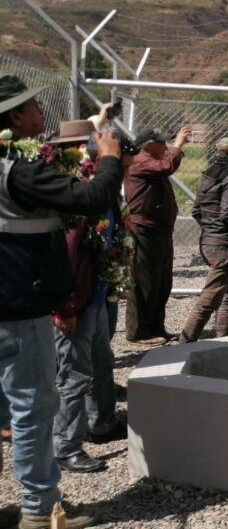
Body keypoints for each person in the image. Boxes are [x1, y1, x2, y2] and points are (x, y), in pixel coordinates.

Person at [0, 73, 124, 529]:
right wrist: (109, 159)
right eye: (34, 106)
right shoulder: (20, 171)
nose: (42, 112)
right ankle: (40, 507)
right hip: (19, 307)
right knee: (33, 407)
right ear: (16, 116)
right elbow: (92, 198)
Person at [49, 120, 129, 474]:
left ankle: (102, 423)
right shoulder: (75, 195)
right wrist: (65, 307)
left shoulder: (103, 192)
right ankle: (65, 446)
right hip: (75, 302)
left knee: (101, 362)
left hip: (95, 295)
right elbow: (65, 255)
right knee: (73, 374)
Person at [124, 124, 191, 345]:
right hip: (144, 229)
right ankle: (138, 332)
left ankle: (155, 327)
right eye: (162, 142)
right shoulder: (140, 161)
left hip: (159, 229)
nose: (166, 146)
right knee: (144, 282)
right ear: (149, 145)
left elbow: (166, 165)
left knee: (161, 282)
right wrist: (178, 145)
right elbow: (166, 166)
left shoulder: (152, 160)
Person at [180, 138, 228, 343]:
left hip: (209, 241)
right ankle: (184, 344)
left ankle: (223, 340)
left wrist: (211, 230)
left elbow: (196, 211)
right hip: (224, 246)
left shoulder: (208, 175)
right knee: (210, 299)